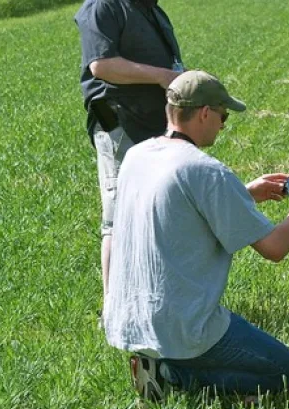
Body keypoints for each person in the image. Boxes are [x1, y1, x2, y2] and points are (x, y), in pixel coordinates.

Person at [103, 70, 289, 401]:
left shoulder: (137, 155)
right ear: (205, 112)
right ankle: (173, 374)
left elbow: (175, 209)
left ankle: (157, 363)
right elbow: (275, 248)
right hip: (182, 326)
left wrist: (245, 194)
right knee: (288, 373)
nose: (223, 124)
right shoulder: (205, 170)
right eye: (224, 116)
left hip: (130, 320)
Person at [74, 0, 184, 305]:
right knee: (119, 215)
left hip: (154, 122)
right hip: (119, 122)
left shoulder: (151, 9)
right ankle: (114, 309)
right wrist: (162, 75)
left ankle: (154, 296)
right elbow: (102, 65)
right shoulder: (103, 6)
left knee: (157, 208)